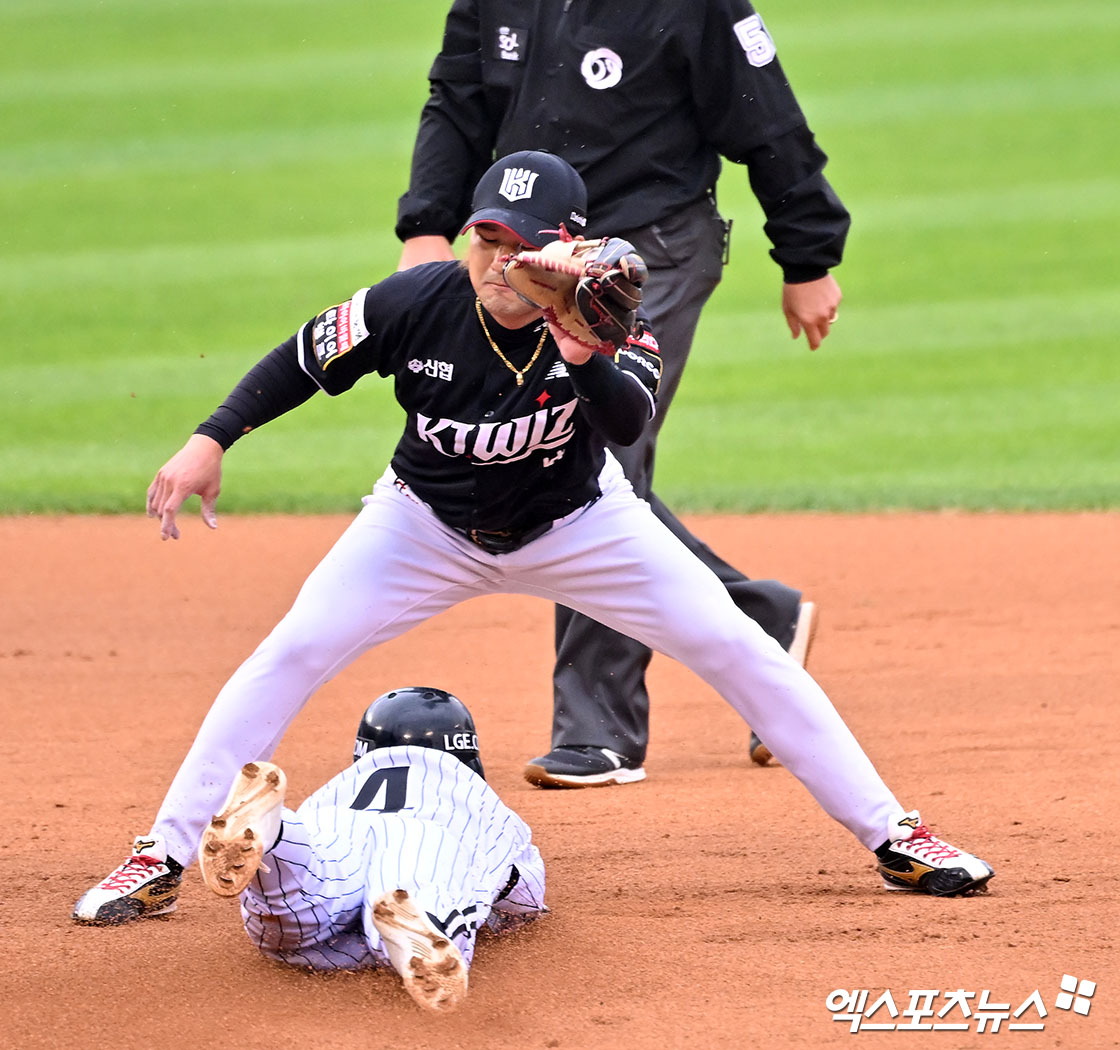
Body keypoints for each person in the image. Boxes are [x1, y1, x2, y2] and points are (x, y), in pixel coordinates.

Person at [71, 151, 992, 942]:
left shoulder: (615, 317)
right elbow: (301, 359)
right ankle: (161, 853)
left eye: (519, 244)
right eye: (485, 239)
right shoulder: (414, 302)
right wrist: (211, 438)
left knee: (738, 647)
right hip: (419, 526)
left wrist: (583, 349)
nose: (497, 260)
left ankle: (894, 836)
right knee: (292, 650)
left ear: (566, 247)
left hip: (582, 527)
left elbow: (629, 423)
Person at [395, 0, 846, 783]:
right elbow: (457, 100)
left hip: (651, 246)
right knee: (556, 449)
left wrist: (807, 257)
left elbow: (766, 115)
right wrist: (425, 224)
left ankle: (597, 728)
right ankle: (754, 615)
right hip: (529, 253)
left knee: (600, 448)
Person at [195, 687, 546, 1013]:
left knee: (307, 885)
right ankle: (420, 929)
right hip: (425, 837)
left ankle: (278, 835)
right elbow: (524, 897)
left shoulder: (340, 788)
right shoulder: (469, 795)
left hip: (339, 827)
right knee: (423, 887)